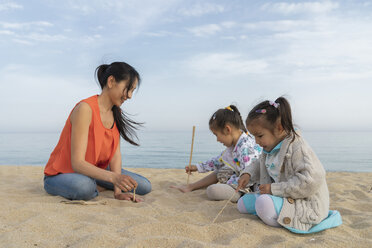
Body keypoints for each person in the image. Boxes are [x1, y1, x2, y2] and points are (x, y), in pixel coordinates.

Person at [44, 62, 151, 201]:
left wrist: (118, 192)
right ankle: (96, 185)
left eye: (132, 91)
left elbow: (115, 156)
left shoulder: (115, 112)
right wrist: (113, 178)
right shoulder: (85, 109)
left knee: (143, 186)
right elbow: (77, 163)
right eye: (128, 89)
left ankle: (98, 184)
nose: (130, 95)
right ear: (111, 81)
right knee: (84, 187)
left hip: (93, 171)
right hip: (61, 174)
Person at [236, 97, 342, 233]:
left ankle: (281, 217)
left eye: (260, 136)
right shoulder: (270, 147)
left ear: (279, 128)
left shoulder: (298, 147)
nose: (256, 142)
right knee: (243, 204)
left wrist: (274, 190)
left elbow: (311, 180)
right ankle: (271, 209)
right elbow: (260, 163)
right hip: (284, 197)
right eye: (254, 137)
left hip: (305, 204)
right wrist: (247, 173)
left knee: (263, 203)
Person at [171, 105, 261, 202]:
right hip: (239, 181)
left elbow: (250, 177)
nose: (217, 140)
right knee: (222, 170)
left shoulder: (245, 147)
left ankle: (241, 197)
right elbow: (218, 161)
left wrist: (230, 182)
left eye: (216, 135)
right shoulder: (233, 146)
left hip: (248, 188)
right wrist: (197, 167)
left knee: (212, 190)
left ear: (227, 129)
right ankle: (190, 187)